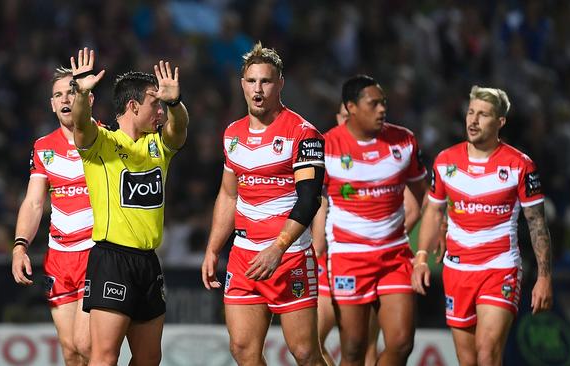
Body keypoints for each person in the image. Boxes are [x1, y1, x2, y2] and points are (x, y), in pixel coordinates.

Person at [201, 42, 327, 366]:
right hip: (244, 257)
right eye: (252, 81)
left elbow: (310, 198)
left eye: (266, 81)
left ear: (280, 84)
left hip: (290, 257)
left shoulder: (303, 133)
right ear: (242, 84)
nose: (258, 89)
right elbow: (229, 195)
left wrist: (278, 248)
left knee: (305, 353)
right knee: (242, 350)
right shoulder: (232, 134)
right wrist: (214, 248)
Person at [412, 85, 553, 366]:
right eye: (471, 112)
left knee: (487, 353)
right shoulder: (445, 161)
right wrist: (421, 257)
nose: (473, 121)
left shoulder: (519, 165)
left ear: (500, 122)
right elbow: (433, 212)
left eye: (484, 115)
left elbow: (537, 222)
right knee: (468, 360)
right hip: (457, 270)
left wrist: (544, 277)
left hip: (500, 268)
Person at [69, 47, 189, 365]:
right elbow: (80, 126)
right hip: (112, 259)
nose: (161, 112)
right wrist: (81, 93)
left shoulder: (157, 145)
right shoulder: (102, 144)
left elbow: (180, 131)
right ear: (133, 106)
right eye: (156, 104)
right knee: (105, 356)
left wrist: (175, 103)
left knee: (149, 359)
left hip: (148, 263)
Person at [313, 75, 427, 366]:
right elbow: (312, 203)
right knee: (353, 348)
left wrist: (400, 233)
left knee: (401, 344)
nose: (381, 109)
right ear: (351, 107)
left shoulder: (404, 141)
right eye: (373, 103)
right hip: (349, 258)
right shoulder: (326, 147)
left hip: (394, 256)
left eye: (383, 103)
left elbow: (421, 195)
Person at [11, 67, 95, 366]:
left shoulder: (105, 139)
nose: (65, 99)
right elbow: (34, 202)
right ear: (51, 104)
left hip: (97, 253)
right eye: (58, 94)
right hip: (59, 256)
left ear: (86, 97)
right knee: (71, 351)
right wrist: (20, 245)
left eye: (72, 92)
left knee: (89, 348)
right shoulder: (43, 147)